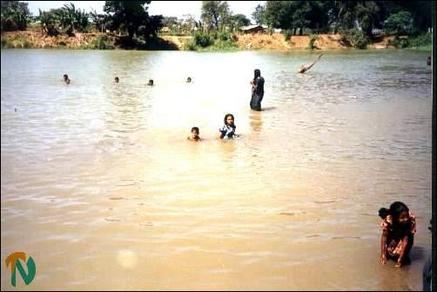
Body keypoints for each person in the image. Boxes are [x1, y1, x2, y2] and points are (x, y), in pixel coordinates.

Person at [378, 201, 416, 268]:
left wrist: (400, 259)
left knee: (400, 256)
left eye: (406, 216)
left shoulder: (410, 219)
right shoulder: (389, 219)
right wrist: (383, 255)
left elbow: (406, 239)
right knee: (390, 253)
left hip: (405, 235)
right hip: (393, 234)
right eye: (402, 217)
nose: (406, 219)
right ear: (395, 217)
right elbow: (384, 236)